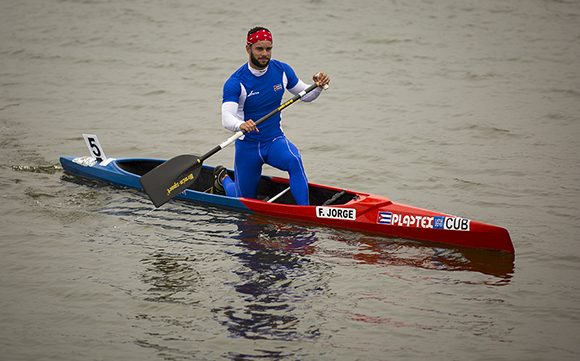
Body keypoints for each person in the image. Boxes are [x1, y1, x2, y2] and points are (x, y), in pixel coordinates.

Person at [213, 26, 330, 205]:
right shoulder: (236, 82)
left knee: (294, 160)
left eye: (269, 48)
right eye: (259, 48)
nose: (264, 53)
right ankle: (223, 179)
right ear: (248, 49)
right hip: (248, 147)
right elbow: (226, 118)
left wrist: (318, 86)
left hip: (274, 141)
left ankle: (305, 214)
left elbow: (306, 95)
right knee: (244, 200)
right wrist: (241, 125)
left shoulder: (282, 71)